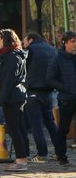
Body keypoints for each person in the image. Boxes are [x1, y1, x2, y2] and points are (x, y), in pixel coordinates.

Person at [22, 32, 59, 164]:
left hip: (33, 90)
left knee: (36, 123)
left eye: (24, 41)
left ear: (31, 40)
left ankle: (42, 153)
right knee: (50, 122)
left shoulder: (30, 50)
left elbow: (22, 69)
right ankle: (59, 151)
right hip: (48, 91)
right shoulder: (52, 49)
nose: (23, 44)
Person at [0, 29, 30, 172]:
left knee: (14, 129)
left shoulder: (10, 56)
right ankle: (23, 157)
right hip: (18, 94)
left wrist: (2, 100)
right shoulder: (16, 55)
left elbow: (9, 80)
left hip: (12, 97)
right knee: (19, 128)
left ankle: (21, 160)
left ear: (5, 40)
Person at [46, 29, 76, 167]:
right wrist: (65, 87)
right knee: (63, 129)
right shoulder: (57, 58)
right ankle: (61, 155)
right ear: (65, 43)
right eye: (73, 41)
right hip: (66, 98)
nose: (75, 44)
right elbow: (50, 79)